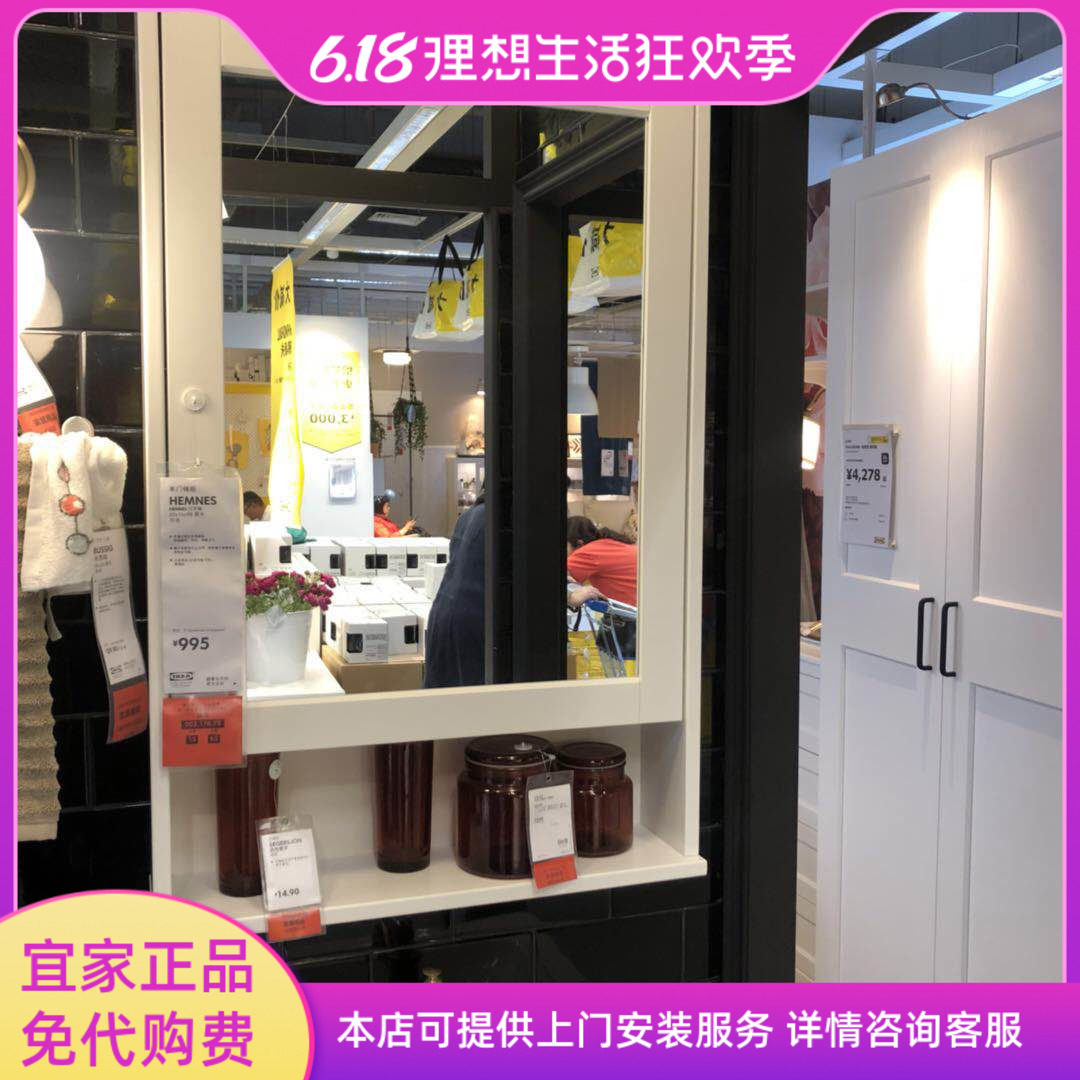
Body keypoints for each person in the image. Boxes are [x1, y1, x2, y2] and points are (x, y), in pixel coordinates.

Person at [424, 497, 485, 688]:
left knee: (443, 696)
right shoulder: (504, 519)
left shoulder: (468, 516)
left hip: (443, 614)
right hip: (474, 622)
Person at [566, 516, 638, 607]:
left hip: (629, 612)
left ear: (579, 543)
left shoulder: (588, 552)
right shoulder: (614, 543)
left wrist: (571, 597)